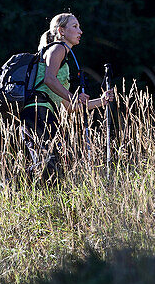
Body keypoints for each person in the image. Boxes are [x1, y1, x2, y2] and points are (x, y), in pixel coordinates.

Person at [22, 12, 113, 179]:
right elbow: (49, 79)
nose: (80, 31)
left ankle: (17, 187)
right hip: (38, 111)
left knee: (50, 164)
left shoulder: (64, 61)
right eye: (75, 26)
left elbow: (71, 107)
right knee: (49, 163)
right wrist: (73, 96)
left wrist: (102, 101)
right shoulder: (58, 48)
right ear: (61, 31)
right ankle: (10, 185)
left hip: (45, 113)